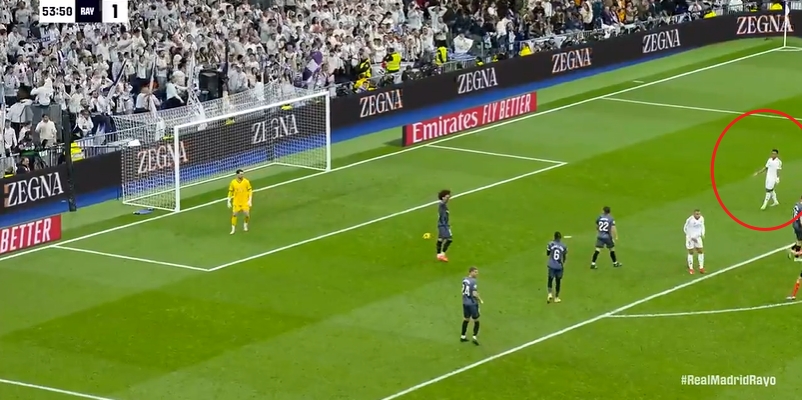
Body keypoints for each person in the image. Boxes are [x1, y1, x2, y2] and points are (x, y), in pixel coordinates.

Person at [460, 266, 482, 345]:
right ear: (471, 272)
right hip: (472, 303)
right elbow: (474, 293)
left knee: (466, 319)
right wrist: (480, 299)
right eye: (475, 272)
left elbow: (462, 290)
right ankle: (474, 337)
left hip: (465, 303)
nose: (477, 274)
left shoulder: (464, 279)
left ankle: (463, 336)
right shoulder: (473, 281)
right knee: (476, 320)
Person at [227, 169, 253, 235]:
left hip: (245, 202)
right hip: (236, 202)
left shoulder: (246, 181)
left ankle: (245, 225)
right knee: (234, 214)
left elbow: (250, 191)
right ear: (237, 174)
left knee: (247, 215)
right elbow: (230, 192)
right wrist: (228, 201)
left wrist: (250, 200)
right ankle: (233, 229)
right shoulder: (233, 182)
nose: (242, 175)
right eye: (241, 174)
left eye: (242, 174)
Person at [546, 231, 567, 303]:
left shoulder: (550, 244)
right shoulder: (563, 246)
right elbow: (564, 257)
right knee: (558, 282)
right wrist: (563, 263)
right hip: (559, 266)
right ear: (560, 238)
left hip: (551, 265)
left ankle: (550, 294)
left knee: (550, 279)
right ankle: (556, 297)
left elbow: (548, 253)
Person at [683, 209, 706, 274]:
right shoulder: (690, 220)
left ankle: (701, 267)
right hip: (690, 238)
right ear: (694, 214)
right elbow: (685, 228)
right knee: (691, 252)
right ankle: (691, 268)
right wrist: (690, 237)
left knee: (700, 251)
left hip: (698, 238)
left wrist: (702, 234)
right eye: (696, 214)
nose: (698, 215)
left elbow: (702, 226)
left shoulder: (701, 218)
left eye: (699, 214)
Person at [436, 189, 453, 262]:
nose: (448, 198)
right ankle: (442, 254)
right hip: (443, 225)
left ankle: (439, 255)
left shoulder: (444, 205)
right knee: (449, 239)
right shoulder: (442, 205)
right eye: (447, 197)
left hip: (443, 225)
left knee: (440, 239)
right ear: (443, 198)